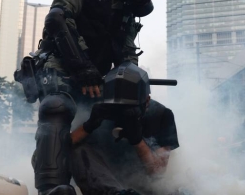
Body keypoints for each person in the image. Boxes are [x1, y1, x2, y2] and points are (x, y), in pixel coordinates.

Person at [14, 0, 175, 194]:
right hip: (60, 67)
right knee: (57, 107)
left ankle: (127, 183)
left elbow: (128, 53)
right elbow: (57, 19)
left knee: (132, 114)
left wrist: (135, 92)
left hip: (97, 79)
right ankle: (50, 189)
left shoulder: (127, 11)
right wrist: (82, 67)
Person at [70, 62, 179, 195]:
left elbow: (157, 173)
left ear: (147, 101)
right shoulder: (100, 111)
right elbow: (65, 147)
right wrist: (89, 125)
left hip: (142, 184)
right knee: (77, 149)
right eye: (119, 107)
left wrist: (138, 141)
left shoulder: (161, 115)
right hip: (104, 182)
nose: (123, 112)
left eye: (130, 107)